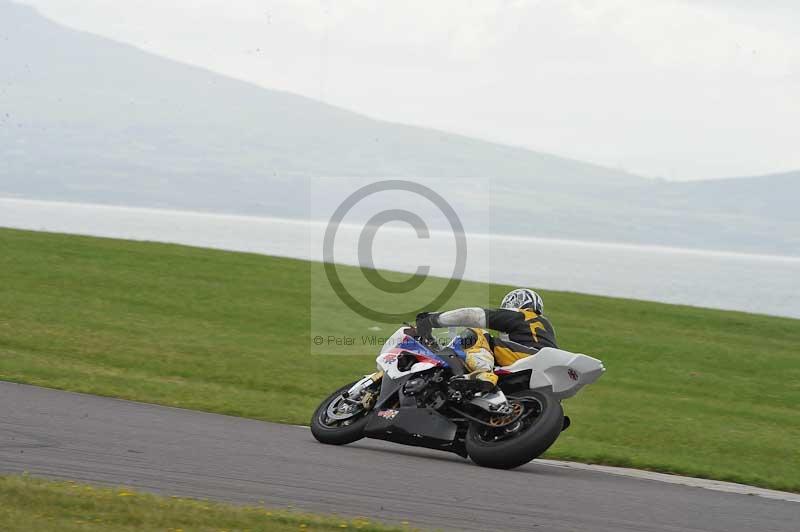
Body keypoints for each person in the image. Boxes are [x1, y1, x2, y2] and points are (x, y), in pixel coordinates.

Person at [414, 288, 557, 394]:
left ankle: (483, 374)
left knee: (476, 334)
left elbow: (472, 315)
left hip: (527, 358)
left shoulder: (522, 315)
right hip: (548, 377)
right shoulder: (546, 326)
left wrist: (433, 320)